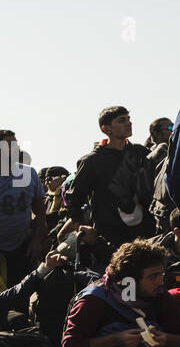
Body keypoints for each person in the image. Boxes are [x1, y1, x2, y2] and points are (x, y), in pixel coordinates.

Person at [61, 240, 180, 347]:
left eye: (161, 275)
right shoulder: (94, 300)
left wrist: (167, 339)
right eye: (153, 277)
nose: (160, 282)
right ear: (129, 280)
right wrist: (116, 340)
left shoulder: (159, 295)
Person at [65, 106, 155, 265]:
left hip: (144, 231)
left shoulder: (141, 153)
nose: (129, 123)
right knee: (116, 279)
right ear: (106, 129)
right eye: (122, 120)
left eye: (128, 119)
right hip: (109, 236)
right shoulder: (92, 161)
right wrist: (83, 228)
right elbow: (74, 198)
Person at [0, 129, 47, 283]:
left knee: (22, 294)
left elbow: (40, 213)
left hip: (23, 247)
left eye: (15, 144)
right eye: (8, 145)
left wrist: (37, 240)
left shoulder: (29, 173)